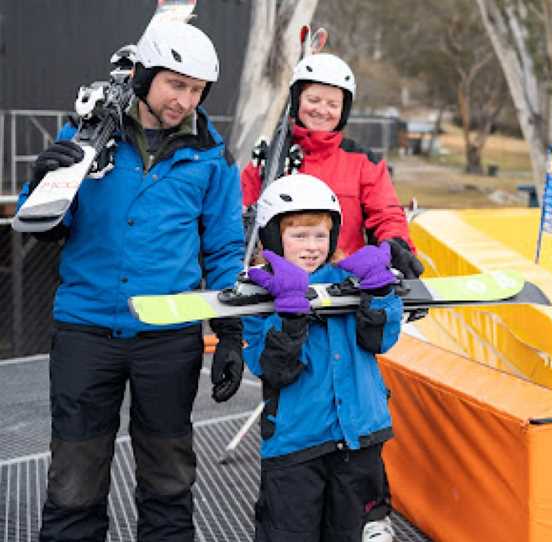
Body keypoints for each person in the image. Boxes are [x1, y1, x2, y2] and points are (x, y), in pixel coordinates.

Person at [17, 21, 246, 541]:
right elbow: (47, 230)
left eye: (196, 90)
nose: (184, 100)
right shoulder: (86, 135)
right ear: (144, 75)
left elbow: (225, 248)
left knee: (168, 477)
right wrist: (42, 182)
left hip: (168, 334)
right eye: (175, 84)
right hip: (87, 329)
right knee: (74, 480)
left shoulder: (212, 155)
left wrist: (231, 332)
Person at [242, 174, 402, 541]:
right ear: (271, 237)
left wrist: (378, 295)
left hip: (360, 436)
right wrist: (290, 317)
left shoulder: (349, 280)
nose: (312, 246)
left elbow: (380, 340)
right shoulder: (258, 292)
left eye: (320, 235)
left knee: (348, 534)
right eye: (298, 235)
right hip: (297, 444)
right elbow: (274, 369)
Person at [240, 52, 424, 281]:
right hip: (278, 286)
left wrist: (395, 244)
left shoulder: (362, 161)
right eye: (313, 100)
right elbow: (240, 213)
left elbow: (385, 214)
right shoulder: (271, 159)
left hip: (343, 285)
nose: (322, 110)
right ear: (297, 101)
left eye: (332, 104)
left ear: (343, 110)